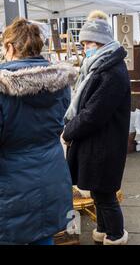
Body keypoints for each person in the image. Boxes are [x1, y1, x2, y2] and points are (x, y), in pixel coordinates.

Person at [0, 18, 77, 245]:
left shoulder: (3, 88)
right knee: (43, 236)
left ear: (11, 47)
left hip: (11, 182)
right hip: (51, 171)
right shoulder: (59, 84)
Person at [63, 11, 131, 245]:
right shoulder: (99, 65)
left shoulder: (111, 70)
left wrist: (69, 130)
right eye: (84, 43)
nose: (86, 47)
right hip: (97, 142)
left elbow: (94, 114)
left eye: (89, 42)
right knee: (97, 191)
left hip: (105, 143)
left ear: (102, 42)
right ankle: (103, 229)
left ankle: (115, 235)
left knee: (105, 193)